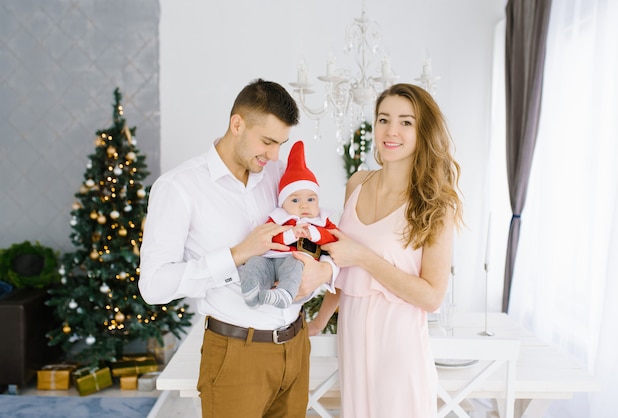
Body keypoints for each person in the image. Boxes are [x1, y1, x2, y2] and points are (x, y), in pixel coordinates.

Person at [138, 79, 337, 418]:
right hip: (236, 354)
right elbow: (153, 286)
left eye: (281, 144)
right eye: (268, 141)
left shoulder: (279, 176)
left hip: (296, 346)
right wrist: (236, 255)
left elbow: (324, 233)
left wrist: (325, 271)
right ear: (237, 124)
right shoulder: (178, 188)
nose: (274, 155)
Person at [309, 83, 463, 417]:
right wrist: (319, 322)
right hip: (352, 343)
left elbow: (432, 296)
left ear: (422, 131)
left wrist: (362, 256)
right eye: (383, 119)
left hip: (400, 347)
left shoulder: (435, 204)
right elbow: (342, 267)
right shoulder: (357, 184)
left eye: (406, 122)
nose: (391, 131)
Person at [240, 140, 338, 309]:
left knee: (295, 265)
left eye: (310, 199)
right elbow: (269, 236)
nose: (304, 205)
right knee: (255, 262)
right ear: (283, 203)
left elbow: (334, 237)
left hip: (296, 267)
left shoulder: (321, 220)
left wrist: (313, 233)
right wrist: (292, 234)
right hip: (271, 260)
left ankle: (284, 294)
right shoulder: (280, 217)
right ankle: (252, 292)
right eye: (295, 200)